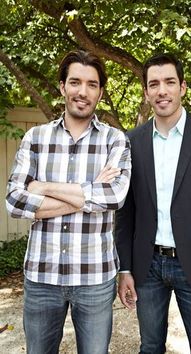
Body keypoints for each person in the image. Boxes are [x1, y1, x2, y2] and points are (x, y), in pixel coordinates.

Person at [6, 50, 131, 354]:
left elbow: (114, 196)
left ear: (100, 92)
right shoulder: (35, 138)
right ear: (62, 86)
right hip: (41, 276)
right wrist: (90, 191)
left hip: (94, 278)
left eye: (92, 84)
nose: (82, 92)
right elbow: (15, 201)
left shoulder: (114, 140)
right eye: (75, 82)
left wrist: (44, 187)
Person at [115, 53, 191, 354]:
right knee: (150, 347)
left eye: (169, 82)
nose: (162, 90)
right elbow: (125, 213)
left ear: (182, 87)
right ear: (145, 92)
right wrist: (125, 269)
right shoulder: (131, 141)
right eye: (153, 84)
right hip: (148, 267)